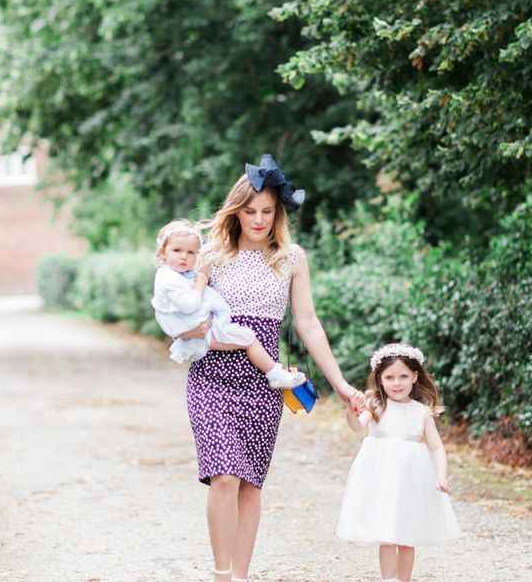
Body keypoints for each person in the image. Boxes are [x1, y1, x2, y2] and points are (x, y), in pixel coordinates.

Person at [181, 154, 361, 582]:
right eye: (249, 211)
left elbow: (308, 323)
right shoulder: (210, 256)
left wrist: (340, 384)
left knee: (248, 484)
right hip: (211, 376)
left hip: (264, 383)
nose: (258, 220)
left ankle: (241, 576)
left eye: (267, 211)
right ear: (235, 211)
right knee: (223, 476)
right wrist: (203, 331)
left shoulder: (292, 258)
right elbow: (186, 317)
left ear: (278, 213)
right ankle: (222, 575)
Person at [337, 343, 460, 582]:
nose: (397, 383)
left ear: (415, 376)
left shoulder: (421, 411)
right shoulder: (376, 405)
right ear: (380, 379)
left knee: (407, 534)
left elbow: (436, 447)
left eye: (403, 376)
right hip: (381, 476)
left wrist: (441, 476)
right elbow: (356, 427)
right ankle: (388, 579)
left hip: (411, 477)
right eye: (390, 377)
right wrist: (350, 411)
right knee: (386, 532)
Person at [152, 218, 306, 389]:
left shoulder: (179, 272)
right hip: (199, 333)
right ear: (163, 251)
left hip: (199, 329)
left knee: (246, 339)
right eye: (177, 250)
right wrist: (201, 282)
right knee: (248, 339)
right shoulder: (168, 278)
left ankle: (274, 374)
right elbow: (189, 305)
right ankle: (275, 374)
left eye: (190, 252)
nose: (184, 257)